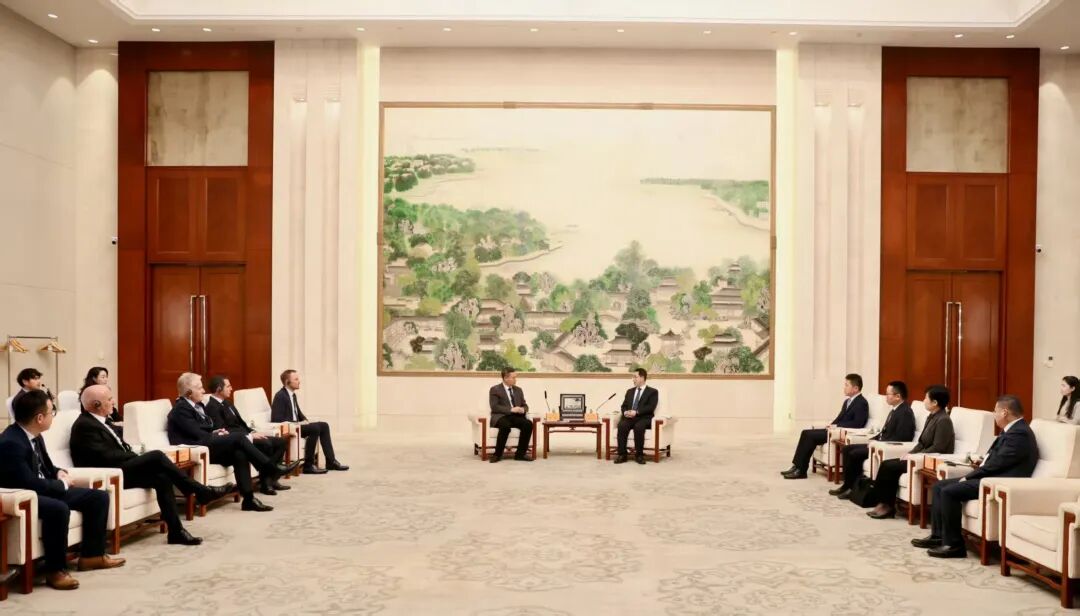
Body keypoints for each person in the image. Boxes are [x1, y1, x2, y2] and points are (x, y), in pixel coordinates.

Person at [70, 385, 235, 545]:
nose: (114, 402)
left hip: (120, 467)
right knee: (156, 456)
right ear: (96, 404)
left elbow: (120, 447)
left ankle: (176, 532)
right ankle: (200, 490)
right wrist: (135, 456)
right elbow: (104, 456)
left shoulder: (102, 421)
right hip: (108, 475)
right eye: (110, 399)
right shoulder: (85, 425)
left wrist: (134, 454)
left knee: (162, 477)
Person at [0, 390, 125, 590]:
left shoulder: (34, 435)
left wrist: (59, 472)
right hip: (26, 496)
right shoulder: (11, 443)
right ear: (39, 418)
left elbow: (47, 467)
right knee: (58, 509)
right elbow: (28, 483)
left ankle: (92, 556)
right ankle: (55, 571)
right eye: (51, 412)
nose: (53, 416)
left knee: (98, 498)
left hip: (43, 489)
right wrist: (62, 485)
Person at [912, 395, 1038, 558]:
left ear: (1004, 412)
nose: (994, 415)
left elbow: (998, 464)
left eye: (995, 411)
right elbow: (997, 458)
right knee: (938, 486)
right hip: (991, 476)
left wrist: (969, 476)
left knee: (949, 492)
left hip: (998, 481)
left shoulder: (1019, 433)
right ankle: (938, 536)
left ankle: (954, 545)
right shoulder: (1013, 430)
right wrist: (981, 460)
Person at [167, 372, 299, 512]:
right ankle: (270, 468)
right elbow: (199, 436)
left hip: (206, 444)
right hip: (197, 450)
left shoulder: (197, 406)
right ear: (189, 392)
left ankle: (249, 500)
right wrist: (216, 435)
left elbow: (204, 429)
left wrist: (216, 432)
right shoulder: (181, 409)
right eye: (200, 388)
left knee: (239, 453)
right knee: (239, 438)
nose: (204, 391)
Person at [867, 385, 955, 519]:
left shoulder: (944, 420)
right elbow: (921, 443)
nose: (923, 401)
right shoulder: (931, 417)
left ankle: (887, 506)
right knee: (886, 464)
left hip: (931, 460)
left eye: (926, 398)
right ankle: (883, 502)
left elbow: (939, 448)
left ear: (935, 402)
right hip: (920, 456)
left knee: (890, 467)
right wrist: (910, 453)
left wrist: (915, 456)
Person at [205, 374, 290, 496]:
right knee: (266, 444)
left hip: (246, 435)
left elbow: (241, 423)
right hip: (237, 440)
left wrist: (253, 432)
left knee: (280, 441)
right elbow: (223, 431)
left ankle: (272, 479)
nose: (231, 388)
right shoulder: (212, 407)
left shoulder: (228, 403)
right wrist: (248, 436)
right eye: (228, 386)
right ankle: (266, 483)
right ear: (219, 389)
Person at [830, 381, 915, 499]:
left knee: (855, 454)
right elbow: (884, 431)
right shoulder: (895, 410)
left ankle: (852, 489)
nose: (886, 397)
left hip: (885, 447)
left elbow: (902, 437)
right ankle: (847, 485)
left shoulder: (905, 412)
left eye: (888, 394)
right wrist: (873, 439)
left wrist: (878, 443)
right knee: (847, 449)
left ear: (897, 396)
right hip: (878, 443)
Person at [782, 373, 869, 479]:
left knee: (810, 436)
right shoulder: (847, 401)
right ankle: (797, 466)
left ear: (855, 388)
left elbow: (857, 424)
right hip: (835, 430)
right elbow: (839, 418)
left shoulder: (861, 403)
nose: (844, 387)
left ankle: (801, 471)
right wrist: (831, 425)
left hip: (842, 432)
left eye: (847, 385)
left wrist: (836, 426)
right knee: (805, 432)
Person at [271, 370, 349, 474]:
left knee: (324, 425)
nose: (299, 381)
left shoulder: (292, 395)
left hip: (297, 426)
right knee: (314, 428)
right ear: (287, 382)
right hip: (289, 428)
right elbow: (276, 419)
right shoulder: (280, 396)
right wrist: (296, 423)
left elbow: (297, 412)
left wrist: (305, 420)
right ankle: (308, 465)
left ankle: (331, 462)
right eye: (296, 379)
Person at [486, 367, 533, 463]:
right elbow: (494, 407)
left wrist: (523, 409)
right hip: (501, 416)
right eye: (514, 377)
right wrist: (511, 409)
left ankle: (520, 454)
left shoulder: (518, 390)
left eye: (516, 377)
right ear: (505, 378)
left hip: (515, 416)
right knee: (505, 426)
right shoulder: (495, 389)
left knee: (528, 424)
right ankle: (497, 455)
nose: (516, 380)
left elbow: (525, 405)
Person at [614, 368, 659, 465]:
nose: (633, 379)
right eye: (633, 377)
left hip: (644, 418)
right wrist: (625, 412)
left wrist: (637, 412)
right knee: (622, 425)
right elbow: (624, 405)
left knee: (639, 427)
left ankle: (639, 455)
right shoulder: (630, 391)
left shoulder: (652, 392)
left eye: (635, 377)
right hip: (630, 417)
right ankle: (622, 455)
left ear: (642, 378)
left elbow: (651, 407)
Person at [79, 366, 123, 438]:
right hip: (99, 424)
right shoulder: (88, 393)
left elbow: (112, 410)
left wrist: (120, 421)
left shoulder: (106, 389)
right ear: (94, 378)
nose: (106, 379)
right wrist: (112, 424)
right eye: (103, 377)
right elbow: (91, 415)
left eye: (106, 377)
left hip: (107, 421)